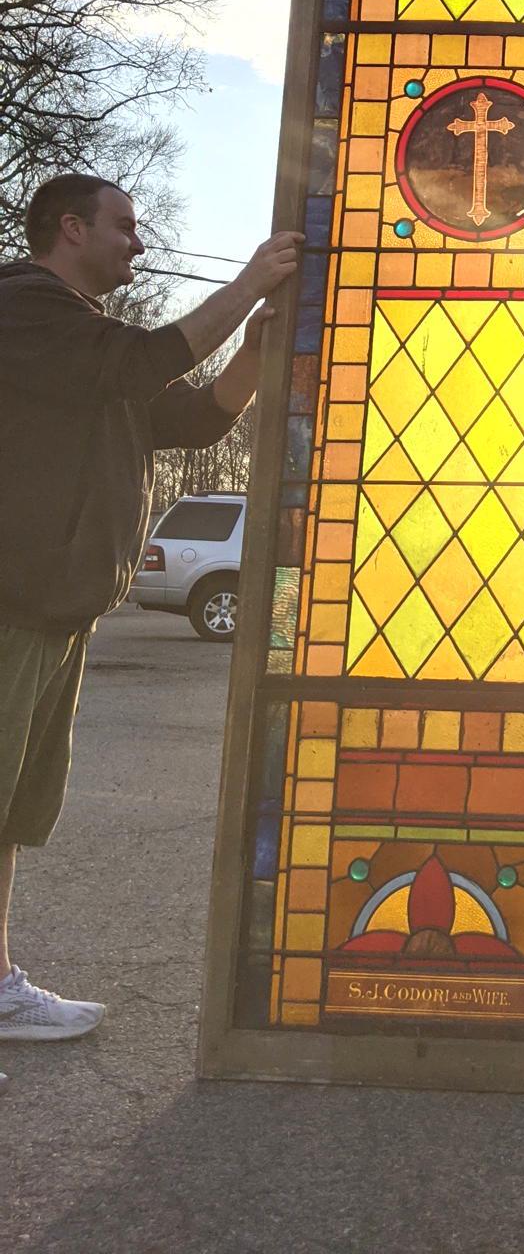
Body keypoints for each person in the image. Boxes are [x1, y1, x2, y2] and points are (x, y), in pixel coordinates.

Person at [0, 173, 299, 1084]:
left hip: (58, 613)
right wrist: (248, 282)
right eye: (124, 226)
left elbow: (188, 419)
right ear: (70, 227)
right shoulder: (24, 309)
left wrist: (253, 353)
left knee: (10, 812)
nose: (139, 242)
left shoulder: (87, 347)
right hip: (9, 606)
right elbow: (141, 364)